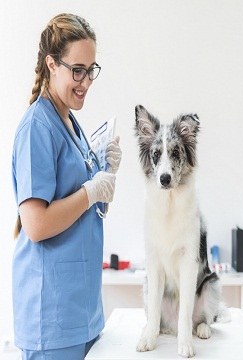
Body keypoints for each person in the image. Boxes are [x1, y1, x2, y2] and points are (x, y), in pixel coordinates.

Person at [11, 13, 122, 360]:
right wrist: (91, 191)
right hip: (53, 317)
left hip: (81, 310)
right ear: (51, 64)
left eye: (91, 70)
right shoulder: (37, 128)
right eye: (77, 70)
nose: (86, 81)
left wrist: (104, 169)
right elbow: (36, 224)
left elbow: (80, 203)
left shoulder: (69, 121)